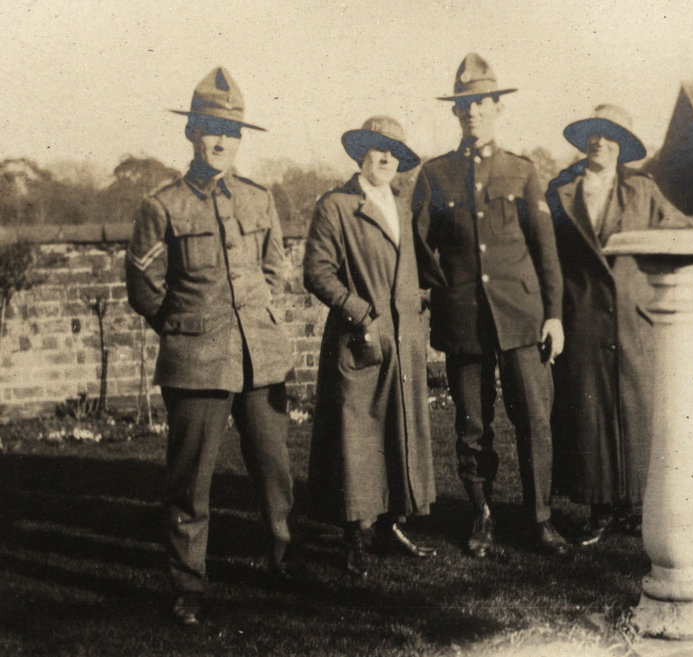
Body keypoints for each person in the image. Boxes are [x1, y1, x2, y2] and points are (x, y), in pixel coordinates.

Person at [125, 67, 296, 625]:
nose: (222, 141)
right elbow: (145, 290)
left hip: (261, 357)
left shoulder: (258, 196)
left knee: (273, 467)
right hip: (196, 360)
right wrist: (186, 328)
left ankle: (280, 559)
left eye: (232, 131)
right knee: (189, 480)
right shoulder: (162, 205)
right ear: (191, 134)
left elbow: (277, 268)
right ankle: (188, 585)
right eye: (210, 129)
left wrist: (258, 315)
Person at [412, 53, 568, 557]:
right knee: (472, 424)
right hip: (464, 322)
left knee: (534, 420)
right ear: (455, 114)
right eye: (463, 106)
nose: (472, 113)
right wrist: (447, 289)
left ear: (498, 108)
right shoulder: (435, 176)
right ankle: (481, 514)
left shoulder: (522, 172)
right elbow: (417, 247)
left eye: (480, 103)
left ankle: (539, 518)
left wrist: (554, 315)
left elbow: (546, 251)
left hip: (522, 319)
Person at [304, 116, 436, 577]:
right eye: (377, 149)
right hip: (359, 337)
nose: (385, 159)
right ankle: (353, 536)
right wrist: (358, 311)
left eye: (393, 152)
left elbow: (416, 263)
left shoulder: (402, 204)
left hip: (403, 338)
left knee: (398, 433)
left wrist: (421, 299)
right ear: (361, 152)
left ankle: (390, 525)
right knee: (356, 438)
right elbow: (317, 272)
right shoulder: (336, 205)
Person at [546, 104, 681, 545]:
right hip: (582, 314)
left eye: (609, 135)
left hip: (632, 316)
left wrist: (650, 283)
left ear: (621, 146)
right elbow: (547, 254)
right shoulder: (562, 190)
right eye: (593, 134)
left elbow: (678, 232)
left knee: (635, 408)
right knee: (590, 412)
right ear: (584, 140)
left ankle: (632, 507)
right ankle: (598, 508)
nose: (599, 142)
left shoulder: (643, 190)